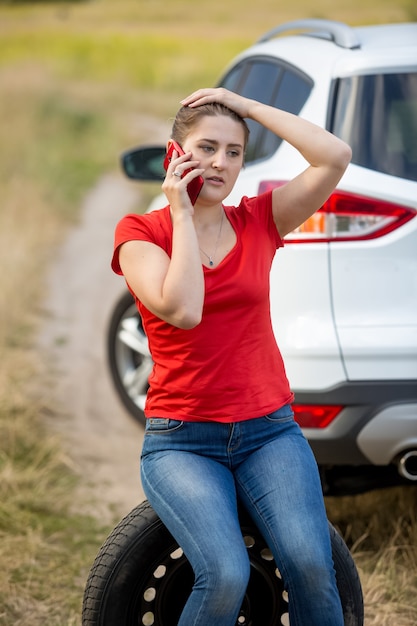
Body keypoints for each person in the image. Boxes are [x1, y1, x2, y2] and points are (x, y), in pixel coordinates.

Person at [111, 87, 352, 626]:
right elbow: (185, 309)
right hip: (183, 441)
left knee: (313, 566)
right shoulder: (140, 235)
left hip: (269, 432)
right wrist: (181, 213)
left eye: (234, 151)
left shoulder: (259, 220)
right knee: (224, 575)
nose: (219, 163)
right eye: (205, 148)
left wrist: (244, 105)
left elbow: (334, 157)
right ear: (175, 154)